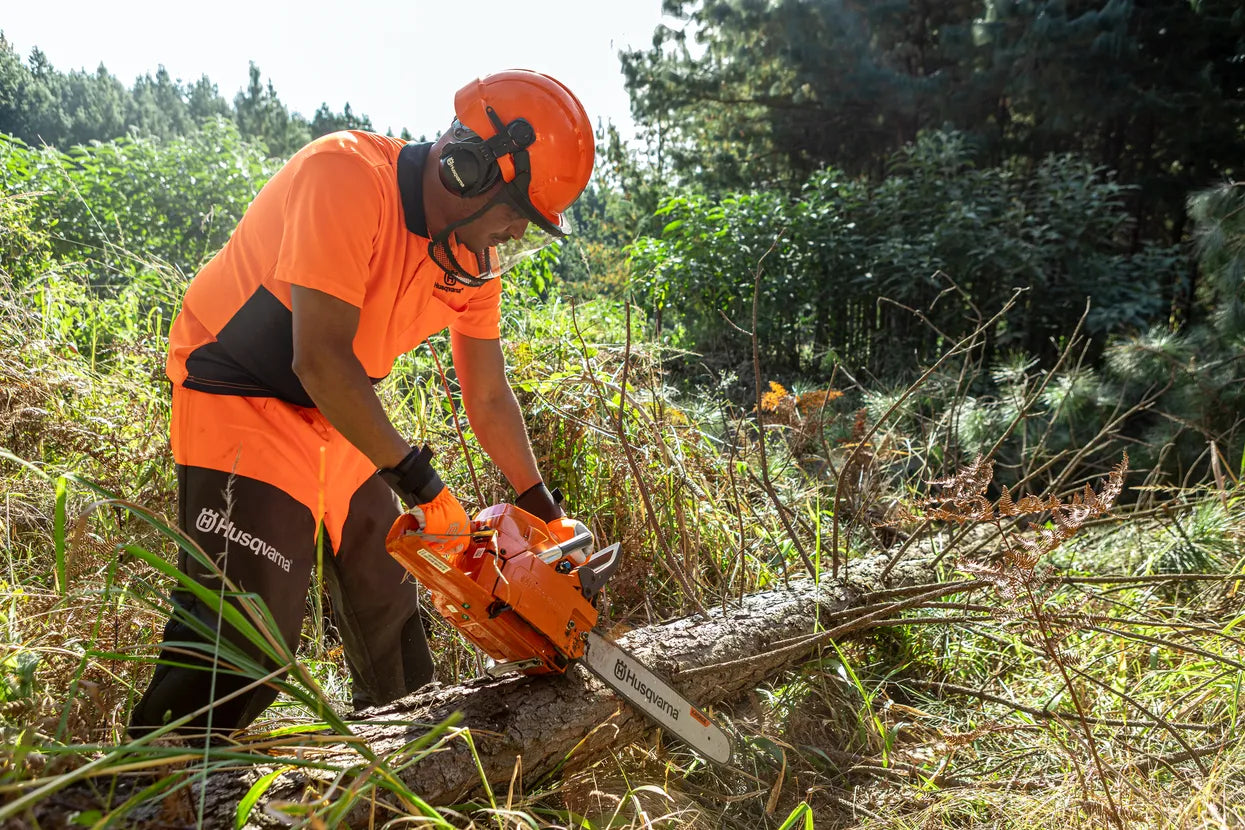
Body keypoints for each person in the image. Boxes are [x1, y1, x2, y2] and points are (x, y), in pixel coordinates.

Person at [129, 70, 595, 736]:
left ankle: (401, 776)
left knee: (389, 606)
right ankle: (149, 783)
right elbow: (317, 357)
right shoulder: (345, 177)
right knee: (250, 637)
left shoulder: (470, 260)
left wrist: (540, 508)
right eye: (517, 211)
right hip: (237, 388)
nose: (515, 232)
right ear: (473, 169)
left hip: (334, 411)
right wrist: (419, 482)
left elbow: (487, 396)